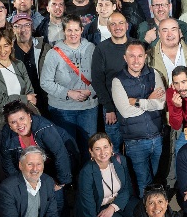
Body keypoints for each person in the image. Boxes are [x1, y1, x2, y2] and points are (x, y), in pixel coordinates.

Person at [110, 39, 167, 194]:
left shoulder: (154, 74)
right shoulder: (118, 81)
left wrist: (136, 101)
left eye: (140, 56)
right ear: (125, 58)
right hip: (135, 142)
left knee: (158, 179)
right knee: (143, 183)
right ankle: (145, 215)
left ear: (145, 57)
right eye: (132, 56)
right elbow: (126, 112)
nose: (136, 60)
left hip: (157, 137)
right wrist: (149, 100)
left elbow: (161, 104)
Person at [39, 15, 99, 152]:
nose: (73, 34)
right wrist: (68, 93)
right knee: (68, 150)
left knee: (89, 148)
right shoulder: (53, 53)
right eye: (69, 30)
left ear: (82, 30)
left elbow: (99, 76)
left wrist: (90, 90)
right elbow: (45, 82)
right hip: (62, 110)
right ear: (64, 31)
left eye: (76, 30)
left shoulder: (91, 49)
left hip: (88, 108)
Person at [75, 133, 136, 217]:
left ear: (111, 147)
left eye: (105, 147)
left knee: (141, 211)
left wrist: (113, 208)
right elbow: (88, 208)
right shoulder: (86, 173)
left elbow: (127, 189)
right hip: (98, 206)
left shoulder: (120, 160)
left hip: (117, 201)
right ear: (91, 152)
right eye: (97, 149)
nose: (103, 152)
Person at [0, 101, 75, 188]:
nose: (19, 124)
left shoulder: (44, 128)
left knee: (55, 195)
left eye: (22, 118)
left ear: (29, 116)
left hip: (54, 162)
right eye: (13, 122)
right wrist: (19, 185)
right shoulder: (7, 133)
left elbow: (60, 153)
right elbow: (7, 162)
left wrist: (61, 182)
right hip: (33, 166)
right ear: (9, 125)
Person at [87, 10, 131, 151]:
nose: (117, 27)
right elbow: (97, 80)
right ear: (108, 27)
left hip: (134, 105)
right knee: (114, 148)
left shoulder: (136, 45)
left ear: (127, 25)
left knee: (133, 147)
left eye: (121, 23)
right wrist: (109, 108)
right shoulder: (101, 49)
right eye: (113, 24)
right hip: (112, 108)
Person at [0, 27, 36, 115]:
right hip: (2, 119)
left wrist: (29, 99)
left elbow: (29, 91)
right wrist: (26, 98)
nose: (2, 51)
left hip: (24, 115)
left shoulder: (19, 64)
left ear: (11, 45)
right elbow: (1, 101)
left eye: (6, 45)